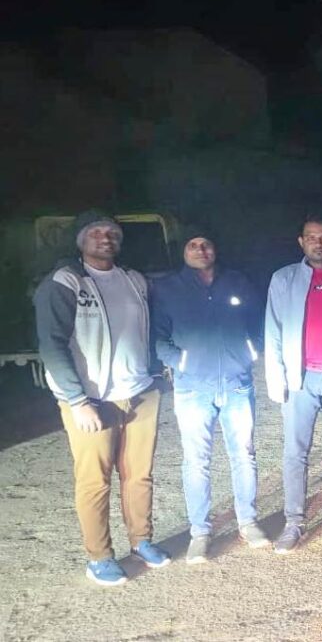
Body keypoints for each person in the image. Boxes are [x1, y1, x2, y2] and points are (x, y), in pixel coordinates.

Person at [34, 211, 169, 586]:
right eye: (95, 232)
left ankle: (141, 540)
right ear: (80, 240)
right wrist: (77, 401)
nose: (105, 238)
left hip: (139, 392)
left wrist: (156, 372)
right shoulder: (66, 281)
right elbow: (51, 345)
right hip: (93, 399)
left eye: (112, 232)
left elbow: (148, 330)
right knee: (95, 480)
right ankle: (99, 557)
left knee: (139, 474)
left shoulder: (134, 279)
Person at [151, 227, 268, 564]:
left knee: (243, 455)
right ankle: (200, 532)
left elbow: (259, 322)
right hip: (192, 389)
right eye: (193, 244)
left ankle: (248, 522)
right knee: (197, 460)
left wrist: (251, 352)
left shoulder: (237, 281)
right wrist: (182, 362)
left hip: (236, 384)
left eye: (206, 244)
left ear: (215, 249)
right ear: (183, 251)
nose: (200, 250)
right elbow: (157, 337)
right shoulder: (168, 288)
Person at [264, 217, 322, 554]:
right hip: (300, 378)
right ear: (301, 242)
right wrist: (277, 379)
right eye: (311, 237)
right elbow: (273, 329)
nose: (318, 243)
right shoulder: (284, 279)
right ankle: (294, 521)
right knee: (295, 451)